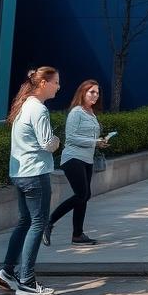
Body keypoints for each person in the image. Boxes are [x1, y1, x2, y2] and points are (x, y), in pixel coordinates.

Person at [0, 67, 61, 295]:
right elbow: (46, 143)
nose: (58, 87)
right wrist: (57, 141)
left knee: (24, 222)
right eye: (55, 82)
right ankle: (27, 281)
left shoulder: (24, 105)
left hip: (20, 173)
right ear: (43, 83)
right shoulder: (39, 109)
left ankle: (8, 272)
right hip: (36, 173)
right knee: (38, 223)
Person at [44, 79, 109, 247]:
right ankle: (49, 222)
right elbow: (71, 137)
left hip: (87, 159)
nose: (96, 95)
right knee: (81, 194)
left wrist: (100, 141)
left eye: (97, 92)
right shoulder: (76, 112)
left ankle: (78, 235)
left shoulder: (91, 113)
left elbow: (90, 138)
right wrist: (95, 142)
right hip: (73, 158)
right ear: (83, 92)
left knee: (84, 196)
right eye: (92, 92)